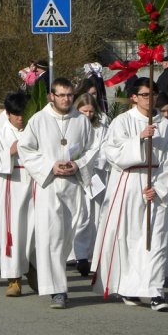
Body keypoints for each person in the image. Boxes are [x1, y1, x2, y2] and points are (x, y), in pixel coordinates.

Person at [90, 77, 168, 311]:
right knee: (129, 237)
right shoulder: (122, 121)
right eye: (144, 95)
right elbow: (111, 153)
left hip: (157, 185)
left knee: (156, 239)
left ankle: (155, 291)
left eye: (153, 95)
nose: (150, 99)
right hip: (130, 182)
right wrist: (138, 140)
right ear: (134, 97)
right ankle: (129, 287)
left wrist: (159, 187)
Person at [17, 77, 97, 309]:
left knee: (67, 238)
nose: (65, 99)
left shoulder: (81, 121)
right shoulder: (39, 120)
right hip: (49, 184)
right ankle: (58, 290)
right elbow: (25, 148)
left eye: (69, 95)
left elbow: (93, 148)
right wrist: (49, 166)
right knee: (52, 236)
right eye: (60, 95)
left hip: (72, 184)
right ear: (51, 96)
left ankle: (37, 261)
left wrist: (78, 164)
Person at [0, 92, 37, 297]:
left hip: (33, 181)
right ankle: (13, 279)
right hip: (12, 184)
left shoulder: (34, 130)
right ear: (7, 114)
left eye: (23, 113)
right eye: (15, 114)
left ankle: (33, 269)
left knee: (33, 230)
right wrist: (10, 152)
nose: (20, 117)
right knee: (13, 231)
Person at [70, 92, 108, 277]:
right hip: (77, 174)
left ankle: (93, 253)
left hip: (96, 175)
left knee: (96, 215)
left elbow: (103, 149)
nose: (88, 115)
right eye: (84, 111)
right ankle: (79, 254)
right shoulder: (72, 125)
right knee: (81, 214)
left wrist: (92, 161)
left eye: (91, 112)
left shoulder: (101, 127)